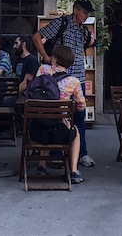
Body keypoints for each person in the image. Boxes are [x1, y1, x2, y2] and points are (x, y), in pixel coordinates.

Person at [32, 0, 96, 168]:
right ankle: (56, 153)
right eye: (84, 12)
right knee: (56, 116)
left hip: (78, 79)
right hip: (58, 80)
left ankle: (81, 153)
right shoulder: (61, 23)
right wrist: (46, 58)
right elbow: (37, 37)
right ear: (76, 10)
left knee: (79, 117)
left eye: (88, 13)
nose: (86, 16)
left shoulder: (83, 30)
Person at [28, 45, 86, 184]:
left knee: (44, 119)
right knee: (75, 133)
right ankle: (73, 171)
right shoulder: (74, 82)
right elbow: (81, 106)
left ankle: (42, 165)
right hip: (60, 133)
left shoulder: (42, 70)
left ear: (55, 59)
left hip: (35, 131)